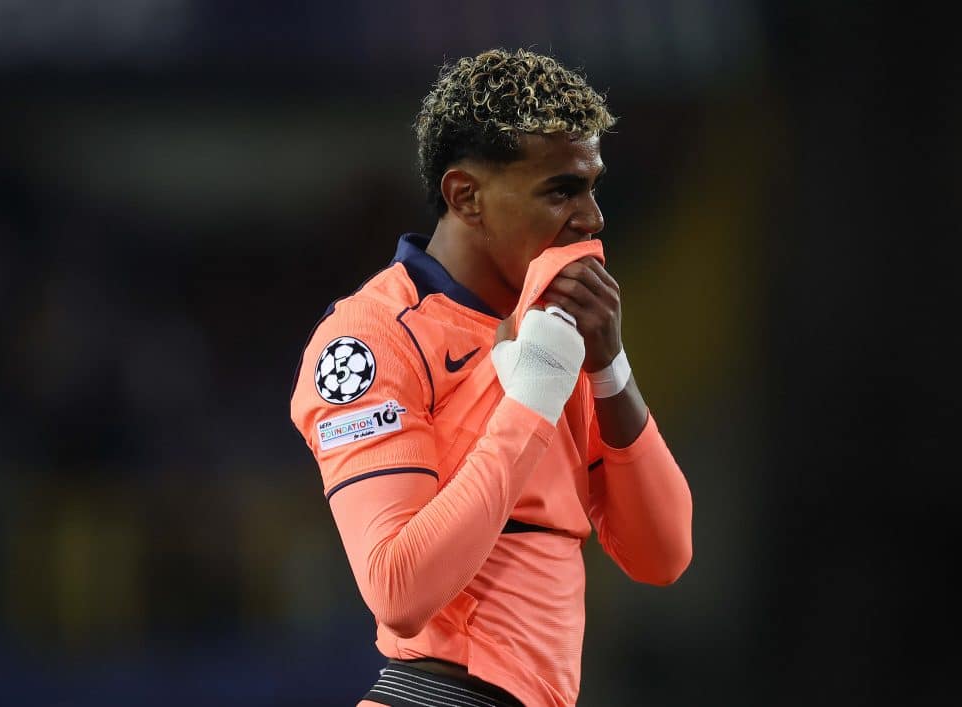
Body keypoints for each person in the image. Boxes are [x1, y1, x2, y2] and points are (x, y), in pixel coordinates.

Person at [290, 48, 693, 707]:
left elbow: (663, 553)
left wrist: (608, 367)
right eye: (561, 189)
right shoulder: (371, 339)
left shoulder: (550, 332)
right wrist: (535, 385)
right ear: (465, 196)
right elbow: (398, 590)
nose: (592, 218)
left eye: (593, 187)